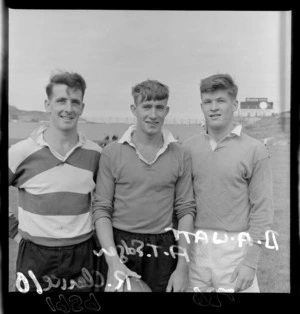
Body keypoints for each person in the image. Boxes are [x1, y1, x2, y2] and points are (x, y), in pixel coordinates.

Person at [92, 79, 196, 292]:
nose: (153, 114)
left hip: (163, 248)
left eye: (159, 107)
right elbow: (101, 208)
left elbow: (185, 210)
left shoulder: (180, 154)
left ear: (167, 110)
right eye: (146, 106)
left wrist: (182, 268)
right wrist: (112, 261)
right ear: (134, 109)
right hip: (119, 244)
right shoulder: (112, 153)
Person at [9, 71, 102, 292]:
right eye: (61, 101)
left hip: (82, 254)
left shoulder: (96, 154)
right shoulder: (21, 152)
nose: (68, 109)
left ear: (82, 107)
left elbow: (106, 201)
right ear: (47, 104)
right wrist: (13, 231)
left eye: (75, 102)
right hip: (35, 255)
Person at [183, 74, 274, 293]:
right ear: (201, 106)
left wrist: (250, 261)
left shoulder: (254, 149)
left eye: (220, 101)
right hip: (196, 245)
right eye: (208, 102)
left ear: (234, 105)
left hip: (235, 248)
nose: (214, 108)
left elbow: (262, 209)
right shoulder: (188, 148)